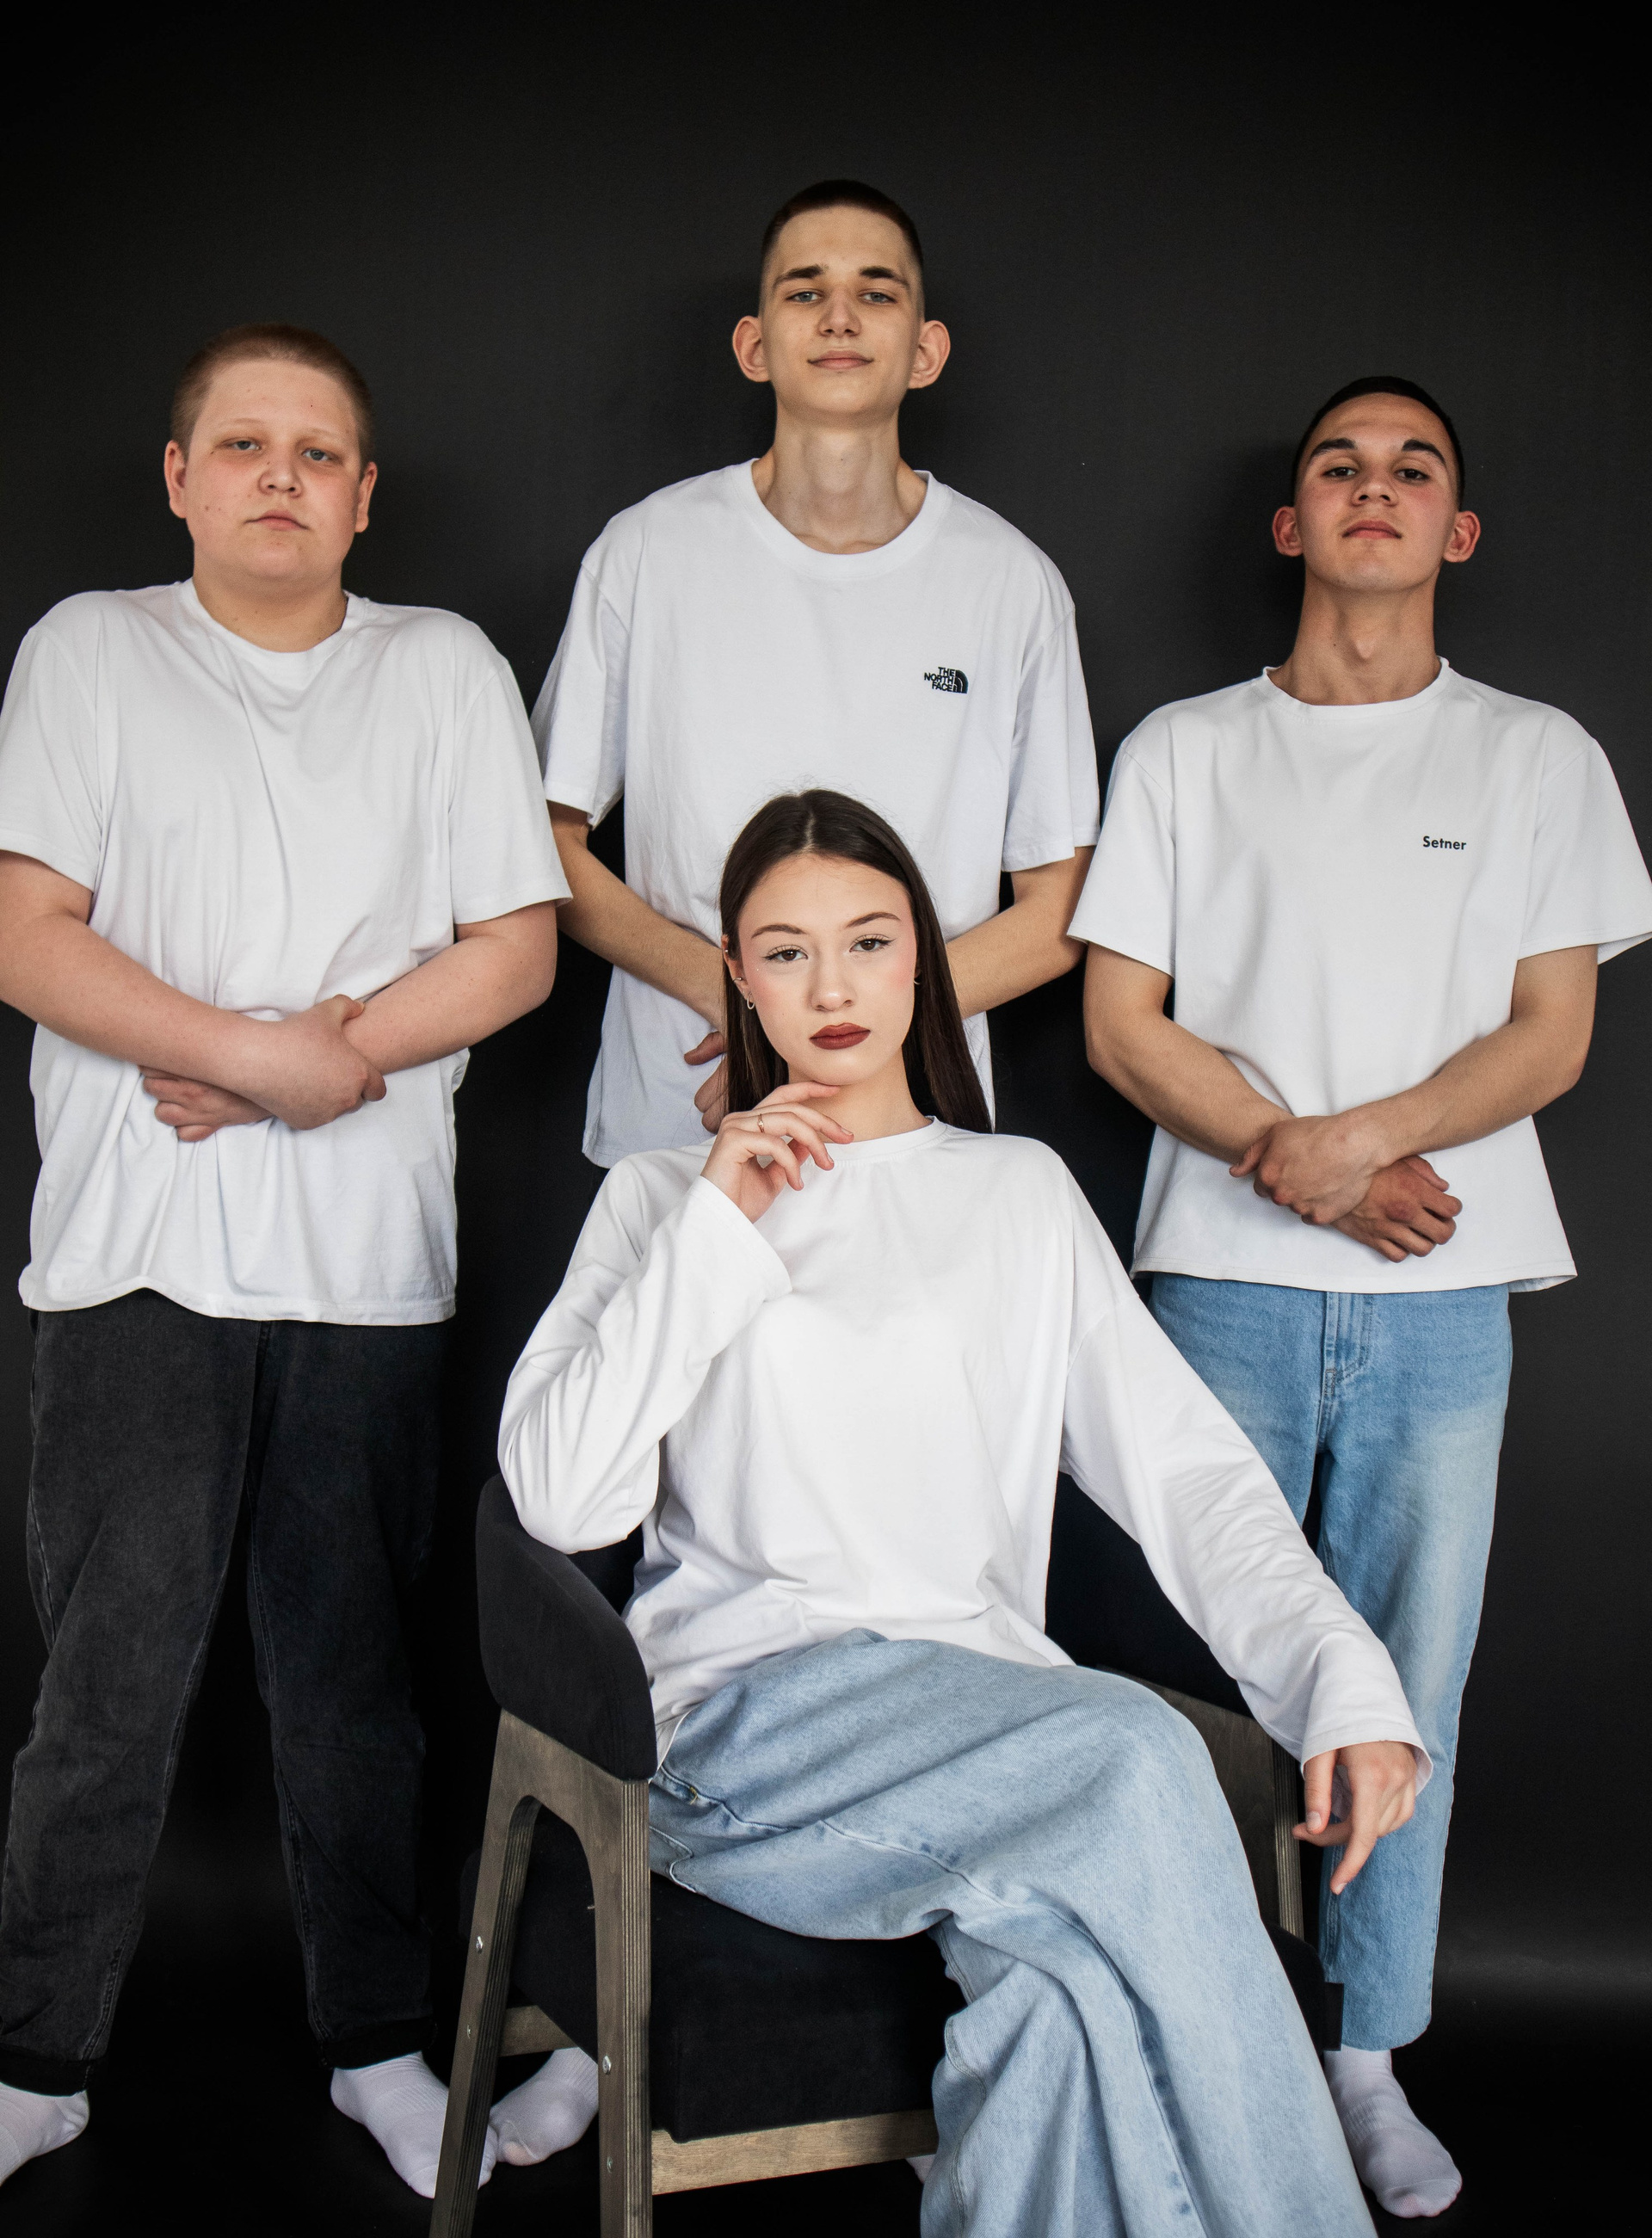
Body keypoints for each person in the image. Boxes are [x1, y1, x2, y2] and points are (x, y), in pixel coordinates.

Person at [488, 786, 1425, 2234]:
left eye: (868, 942)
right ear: (738, 978)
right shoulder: (663, 1197)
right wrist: (719, 1225)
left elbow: (1188, 1472)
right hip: (740, 1730)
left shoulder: (1015, 1196)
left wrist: (1342, 1677)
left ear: (921, 958)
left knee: (1062, 1998)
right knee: (1138, 1751)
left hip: (993, 1734)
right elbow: (558, 1495)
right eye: (786, 952)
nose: (833, 987)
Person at [1072, 375, 1652, 2218]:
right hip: (1220, 1276)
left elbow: (1552, 1034)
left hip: (1444, 1287)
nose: (1374, 488)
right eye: (1341, 466)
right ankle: (1197, 2022)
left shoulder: (1537, 756)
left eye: (1413, 470)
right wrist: (1290, 1156)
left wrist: (1365, 1140)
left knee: (1407, 1673)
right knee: (1195, 1673)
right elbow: (1121, 1022)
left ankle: (1361, 2053)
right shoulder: (1184, 749)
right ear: (1293, 522)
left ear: (1457, 530)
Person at [0, 324, 568, 2198]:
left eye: (318, 453)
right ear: (179, 478)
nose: (280, 477)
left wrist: (333, 1065)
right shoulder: (92, 649)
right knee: (107, 1678)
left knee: (352, 1683)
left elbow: (515, 946)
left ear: (365, 496)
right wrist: (263, 1058)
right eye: (242, 445)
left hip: (364, 1262)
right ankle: (35, 2060)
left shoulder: (440, 667)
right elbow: (26, 930)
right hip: (138, 1249)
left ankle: (375, 2045)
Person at [535, 177, 1098, 1165]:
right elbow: (543, 842)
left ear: (926, 349)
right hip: (683, 1114)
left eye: (877, 292)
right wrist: (740, 996)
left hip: (916, 1127)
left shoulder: (1011, 581)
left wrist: (860, 1032)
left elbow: (1059, 909)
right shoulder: (647, 551)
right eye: (806, 291)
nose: (840, 317)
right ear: (755, 345)